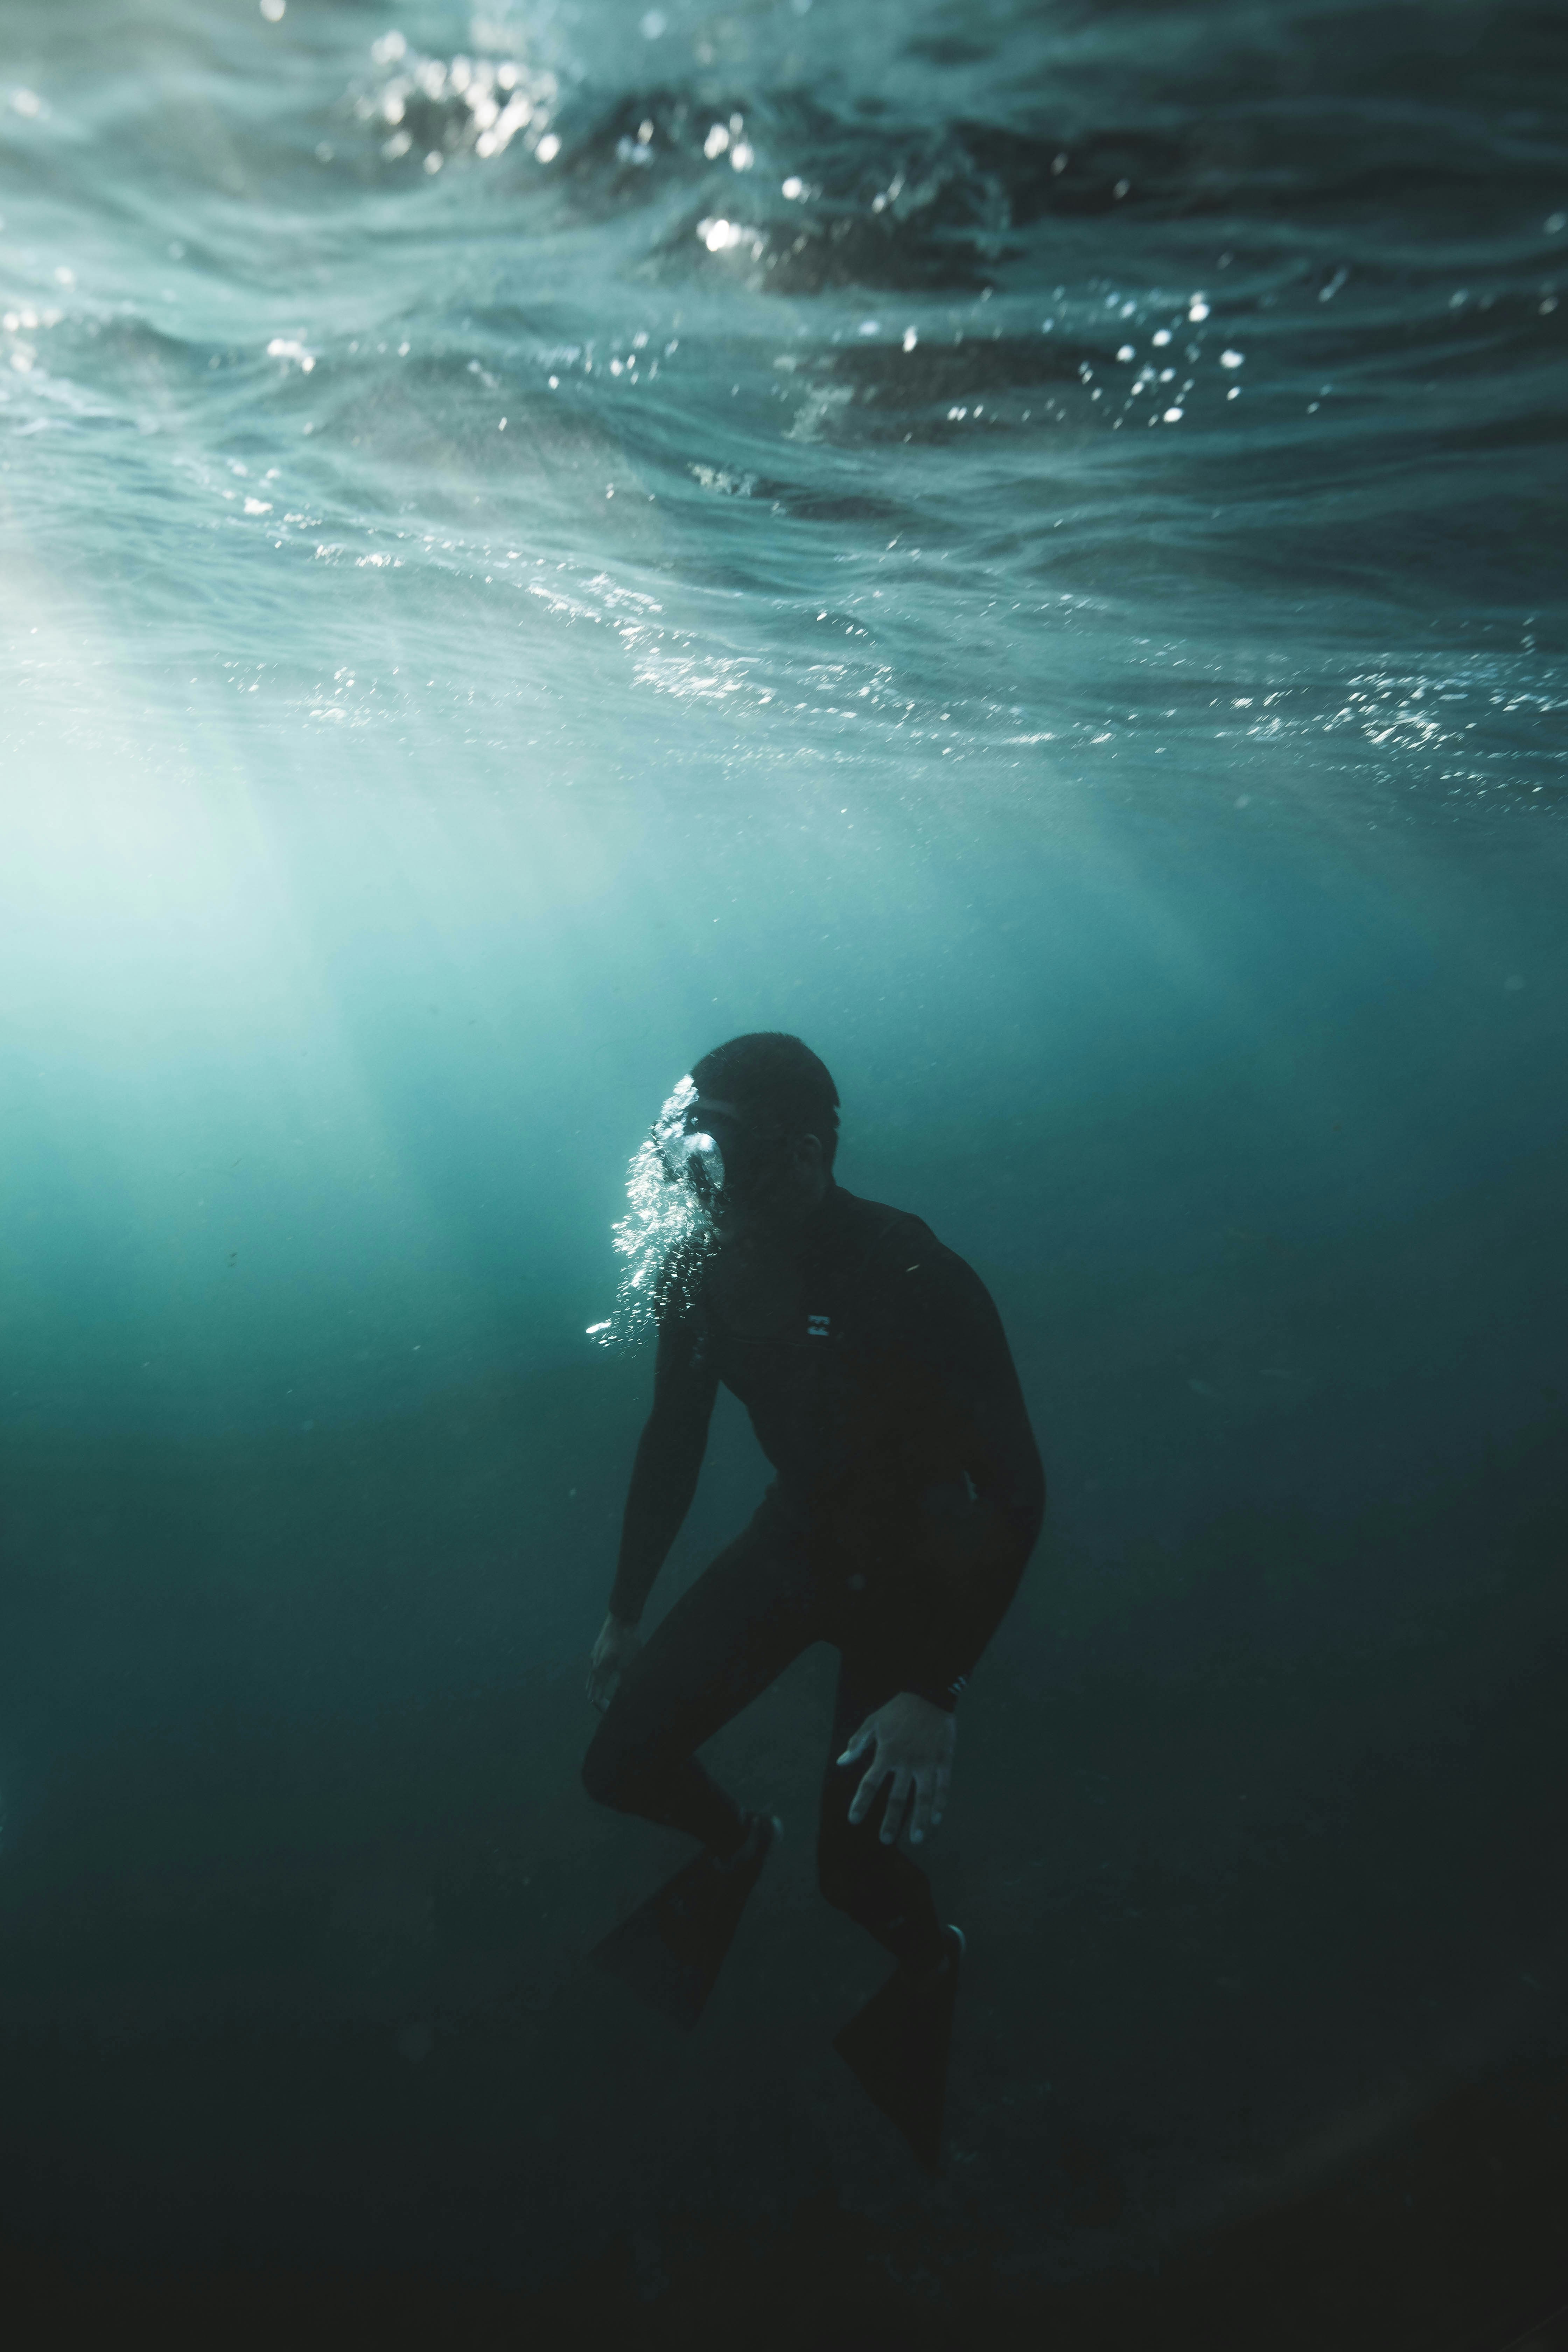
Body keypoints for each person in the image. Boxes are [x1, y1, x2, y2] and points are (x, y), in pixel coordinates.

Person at [581, 1032, 1045, 1996]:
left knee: (854, 1880)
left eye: (725, 1142)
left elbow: (1013, 1488)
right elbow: (675, 1441)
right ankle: (737, 1846)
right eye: (690, 1138)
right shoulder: (697, 1269)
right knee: (620, 1765)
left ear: (807, 1150)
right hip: (795, 1543)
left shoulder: (912, 1273)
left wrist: (933, 1689)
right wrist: (625, 1609)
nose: (700, 1169)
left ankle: (930, 1962)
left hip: (911, 1579)